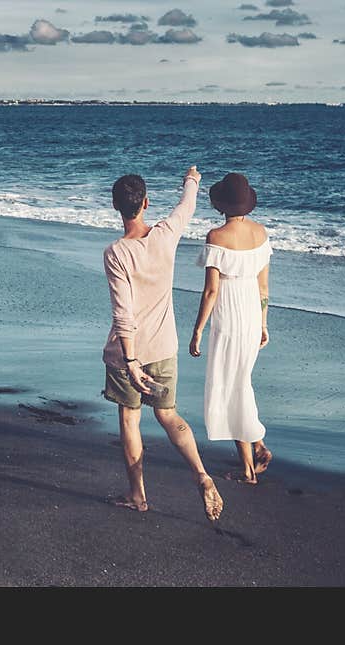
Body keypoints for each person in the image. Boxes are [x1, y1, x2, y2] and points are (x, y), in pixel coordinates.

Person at [102, 167, 223, 522]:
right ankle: (202, 475)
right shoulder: (165, 234)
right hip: (165, 347)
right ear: (146, 202)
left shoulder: (116, 253)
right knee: (168, 414)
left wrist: (131, 361)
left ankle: (137, 495)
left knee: (129, 418)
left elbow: (124, 314)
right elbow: (186, 206)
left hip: (130, 354)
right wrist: (192, 180)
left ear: (115, 207)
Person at [189, 173, 273, 484]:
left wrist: (198, 330)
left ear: (221, 204)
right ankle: (259, 446)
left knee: (233, 385)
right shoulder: (261, 233)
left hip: (228, 316)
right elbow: (264, 287)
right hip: (251, 313)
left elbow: (211, 291)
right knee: (242, 382)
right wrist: (264, 323)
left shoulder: (216, 236)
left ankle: (250, 470)